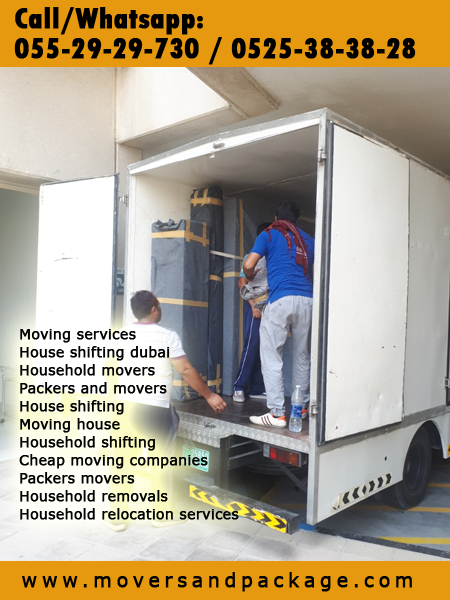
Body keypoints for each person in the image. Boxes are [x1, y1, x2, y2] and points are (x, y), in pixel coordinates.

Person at [105, 290, 226, 531]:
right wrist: (210, 395)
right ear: (154, 309)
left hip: (124, 408)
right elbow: (185, 370)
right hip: (155, 409)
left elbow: (110, 369)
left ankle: (117, 517)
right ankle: (160, 515)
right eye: (158, 306)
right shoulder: (167, 336)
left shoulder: (120, 336)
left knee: (122, 463)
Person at [243, 201, 314, 429]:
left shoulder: (269, 234)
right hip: (308, 301)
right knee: (302, 356)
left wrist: (250, 275)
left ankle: (277, 414)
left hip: (281, 299)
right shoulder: (308, 240)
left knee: (272, 356)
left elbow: (249, 264)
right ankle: (301, 408)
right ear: (297, 220)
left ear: (276, 218)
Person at [233, 222, 271, 403]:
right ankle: (239, 387)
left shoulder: (275, 257)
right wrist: (253, 305)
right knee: (251, 346)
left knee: (266, 348)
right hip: (255, 306)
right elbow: (242, 283)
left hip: (271, 307)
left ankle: (257, 388)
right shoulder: (251, 257)